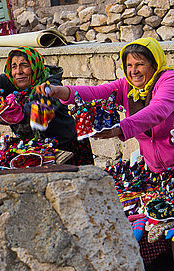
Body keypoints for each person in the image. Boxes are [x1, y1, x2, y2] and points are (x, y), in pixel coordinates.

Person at [39, 37, 174, 174]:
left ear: (155, 64)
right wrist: (58, 91)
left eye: (140, 64)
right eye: (129, 65)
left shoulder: (169, 80)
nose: (133, 71)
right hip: (156, 170)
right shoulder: (127, 86)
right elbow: (96, 92)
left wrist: (121, 128)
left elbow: (158, 110)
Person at [0, 46, 94, 165]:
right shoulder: (13, 83)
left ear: (34, 67)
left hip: (67, 151)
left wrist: (13, 114)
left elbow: (37, 109)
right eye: (14, 67)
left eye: (24, 65)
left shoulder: (51, 85)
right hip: (36, 150)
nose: (18, 71)